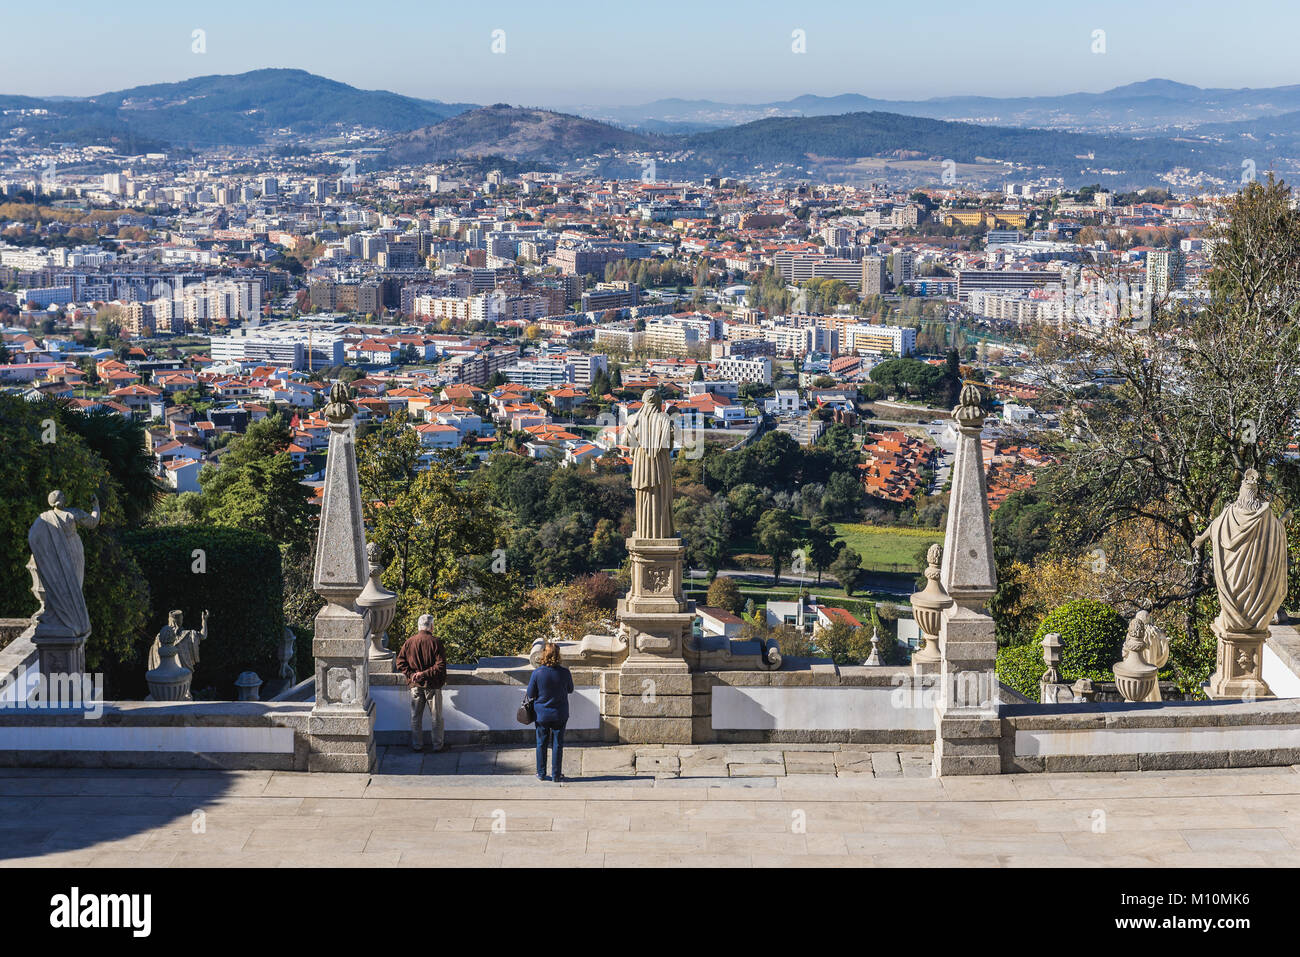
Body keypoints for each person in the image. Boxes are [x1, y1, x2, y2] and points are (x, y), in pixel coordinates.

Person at [395, 614, 447, 752]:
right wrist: (424, 674)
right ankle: (438, 745)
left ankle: (417, 745)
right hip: (433, 685)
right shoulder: (436, 642)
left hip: (415, 686)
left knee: (415, 717)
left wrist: (412, 675)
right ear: (432, 627)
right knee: (436, 718)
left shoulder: (409, 642)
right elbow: (440, 665)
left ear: (418, 626)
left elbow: (400, 662)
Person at [526, 641, 574, 782]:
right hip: (560, 713)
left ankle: (541, 773)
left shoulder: (537, 673)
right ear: (558, 655)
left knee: (541, 743)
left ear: (544, 655)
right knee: (557, 744)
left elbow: (530, 693)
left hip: (542, 714)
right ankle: (556, 775)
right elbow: (570, 689)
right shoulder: (565, 672)